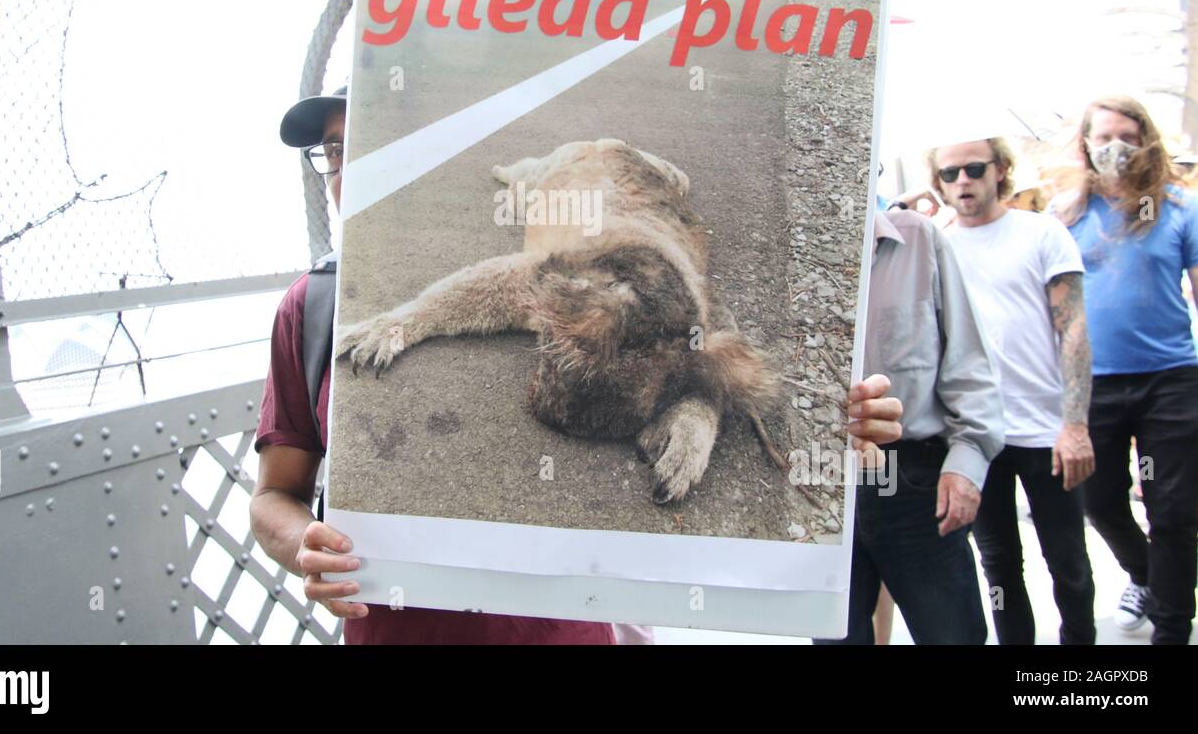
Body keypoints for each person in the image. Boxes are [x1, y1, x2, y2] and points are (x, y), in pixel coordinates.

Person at [248, 89, 906, 643]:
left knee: (644, 195)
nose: (346, 168)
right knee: (535, 174)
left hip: (572, 638)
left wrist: (833, 427)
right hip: (396, 634)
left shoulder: (667, 286)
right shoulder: (309, 309)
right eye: (333, 153)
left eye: (364, 146)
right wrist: (305, 544)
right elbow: (273, 499)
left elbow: (734, 362)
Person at [931, 136, 1096, 645]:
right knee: (1000, 567)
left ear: (1000, 170)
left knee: (1068, 562)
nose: (963, 181)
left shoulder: (1041, 232)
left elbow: (1073, 330)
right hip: (978, 435)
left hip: (1046, 431)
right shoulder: (935, 244)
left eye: (975, 168)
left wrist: (1074, 425)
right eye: (949, 173)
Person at [816, 206, 1005, 645]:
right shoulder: (785, 241)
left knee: (950, 633)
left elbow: (969, 362)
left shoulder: (919, 238)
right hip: (820, 474)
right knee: (834, 635)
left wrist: (966, 462)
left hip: (913, 479)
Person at [1054, 96, 1198, 645]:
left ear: (1147, 143)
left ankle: (1171, 629)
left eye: (1129, 136)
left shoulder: (1178, 209)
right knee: (1101, 501)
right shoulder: (1065, 217)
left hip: (1171, 379)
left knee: (1174, 512)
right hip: (1093, 383)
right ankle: (1146, 577)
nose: (1117, 147)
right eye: (1105, 136)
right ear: (1087, 144)